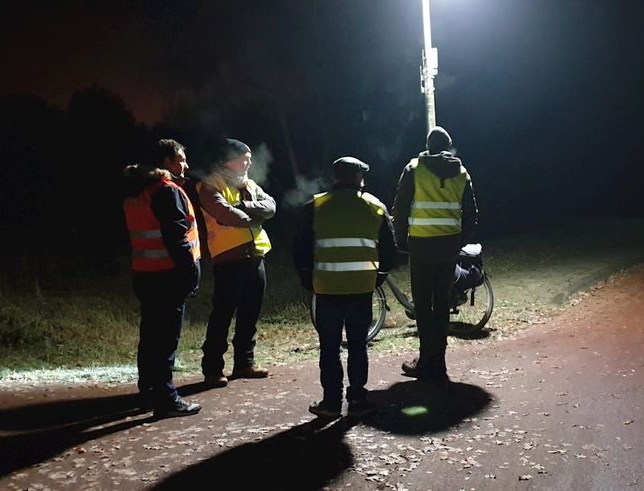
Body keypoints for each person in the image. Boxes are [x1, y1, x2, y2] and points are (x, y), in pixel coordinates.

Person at [294, 156, 397, 419]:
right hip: (361, 289)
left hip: (326, 289)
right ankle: (358, 399)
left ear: (336, 177)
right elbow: (389, 250)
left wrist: (308, 278)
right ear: (359, 178)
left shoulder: (315, 206)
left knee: (329, 347)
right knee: (358, 345)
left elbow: (301, 248)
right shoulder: (375, 207)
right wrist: (378, 277)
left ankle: (330, 402)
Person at [392, 126, 478, 383]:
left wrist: (401, 241)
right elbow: (471, 214)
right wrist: (460, 242)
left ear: (428, 145)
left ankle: (425, 359)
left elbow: (400, 209)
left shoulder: (414, 169)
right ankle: (439, 362)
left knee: (422, 305)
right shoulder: (461, 173)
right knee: (441, 304)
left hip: (421, 246)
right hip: (448, 247)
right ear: (449, 146)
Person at [123, 160, 202, 417]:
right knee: (165, 340)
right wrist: (190, 273)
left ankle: (147, 393)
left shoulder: (136, 192)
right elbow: (176, 237)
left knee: (150, 338)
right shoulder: (165, 191)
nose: (187, 164)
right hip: (168, 275)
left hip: (145, 274)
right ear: (164, 163)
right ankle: (166, 399)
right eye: (181, 158)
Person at [197, 139, 276, 387]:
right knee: (223, 314)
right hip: (229, 258)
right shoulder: (210, 185)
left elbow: (271, 206)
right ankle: (212, 368)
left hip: (256, 256)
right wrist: (253, 217)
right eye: (244, 158)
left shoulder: (249, 184)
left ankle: (244, 363)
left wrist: (244, 206)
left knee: (250, 313)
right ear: (228, 159)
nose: (249, 162)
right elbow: (225, 214)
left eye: (250, 157)